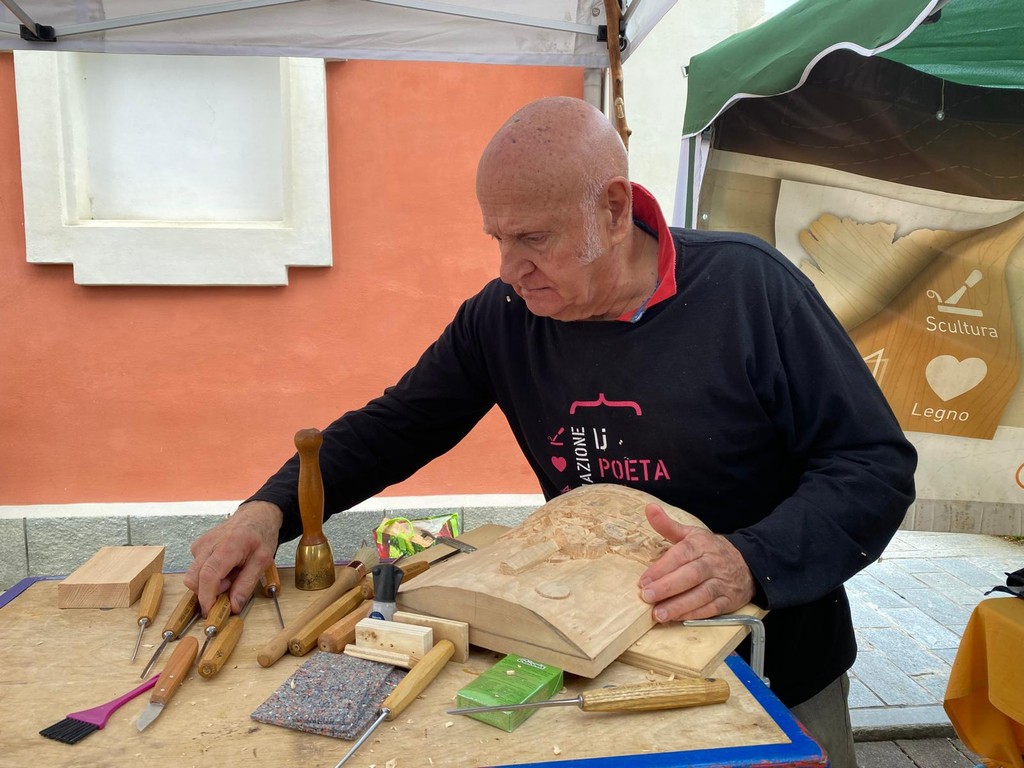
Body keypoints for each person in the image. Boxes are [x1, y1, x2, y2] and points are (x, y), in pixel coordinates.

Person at [185, 96, 916, 766]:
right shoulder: (504, 317)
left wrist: (750, 560)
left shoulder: (749, 289)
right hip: (593, 663)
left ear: (613, 208)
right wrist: (269, 509)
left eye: (533, 238)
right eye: (497, 238)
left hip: (771, 662)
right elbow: (395, 427)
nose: (510, 269)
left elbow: (872, 464)